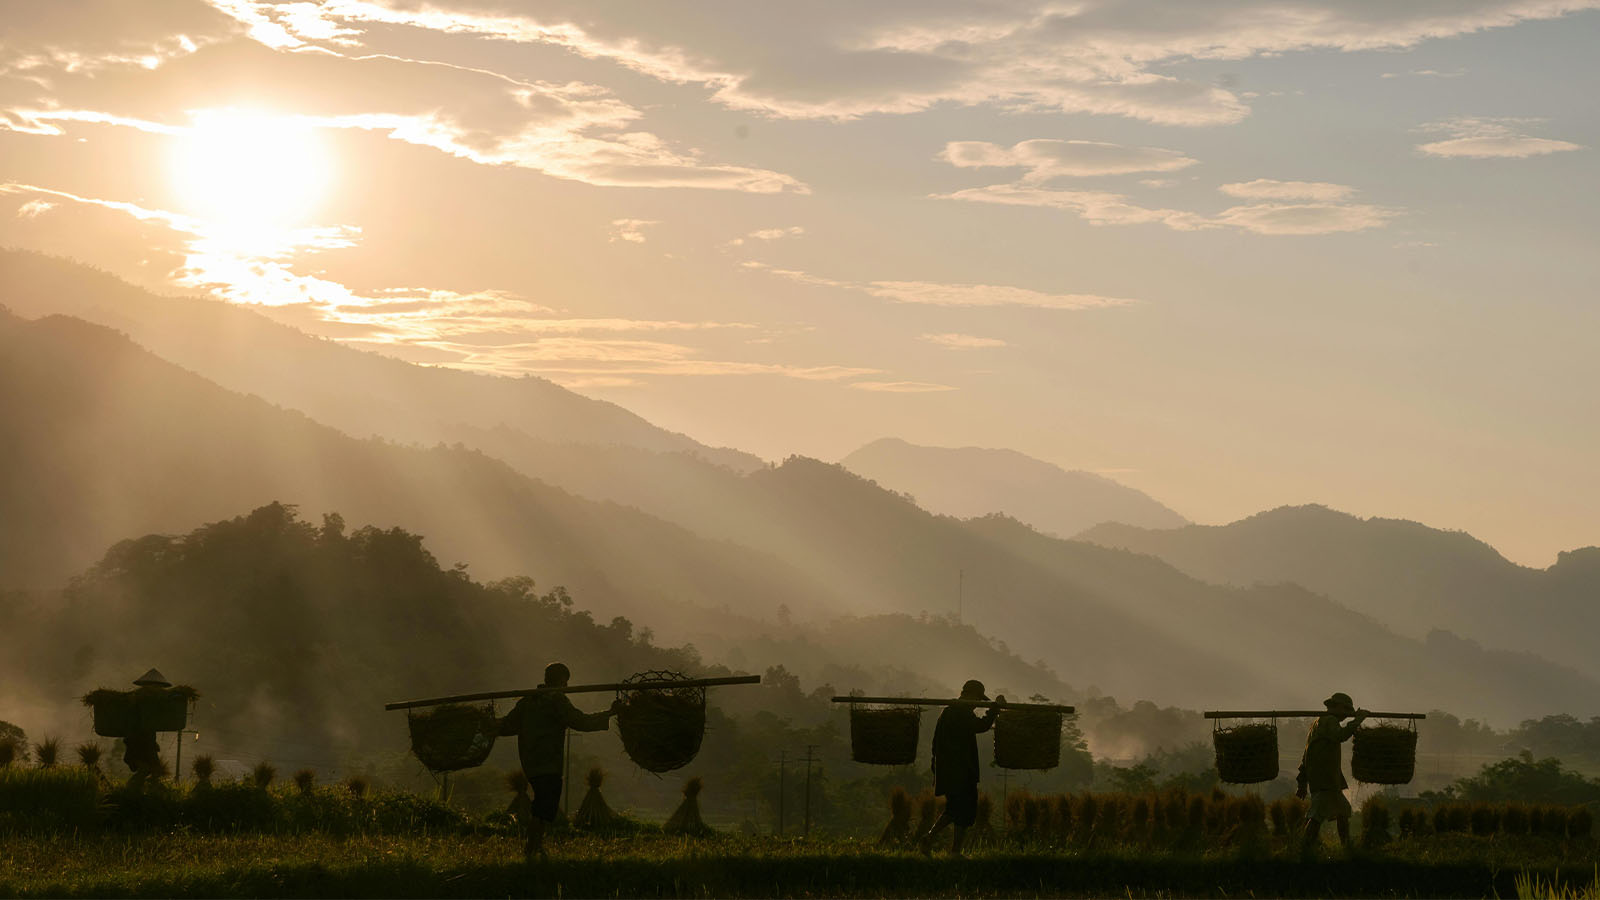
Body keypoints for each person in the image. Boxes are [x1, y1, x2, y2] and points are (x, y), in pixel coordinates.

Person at [498, 662, 619, 860]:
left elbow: (507, 726)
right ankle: (531, 848)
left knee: (541, 804)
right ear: (562, 680)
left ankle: (535, 847)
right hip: (548, 763)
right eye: (566, 682)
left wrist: (489, 724)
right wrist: (609, 713)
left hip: (531, 762)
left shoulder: (527, 701)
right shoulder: (556, 700)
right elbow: (579, 721)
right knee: (544, 806)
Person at [920, 679, 1005, 856]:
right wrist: (994, 710)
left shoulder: (949, 711)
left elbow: (935, 743)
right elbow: (980, 726)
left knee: (954, 809)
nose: (977, 705)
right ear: (971, 696)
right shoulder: (960, 711)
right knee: (964, 810)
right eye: (978, 700)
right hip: (961, 771)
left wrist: (936, 767)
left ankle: (932, 839)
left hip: (950, 771)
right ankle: (953, 850)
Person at [1296, 691, 1368, 857]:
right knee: (1317, 815)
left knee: (1342, 811)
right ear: (1337, 707)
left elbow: (1305, 756)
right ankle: (1304, 850)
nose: (1346, 715)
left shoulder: (1317, 723)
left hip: (1327, 779)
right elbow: (1341, 735)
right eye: (1346, 710)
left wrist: (1302, 782)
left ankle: (1346, 847)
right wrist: (1358, 720)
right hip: (1325, 780)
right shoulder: (1329, 721)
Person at [123, 668, 170, 790]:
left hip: (146, 743)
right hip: (138, 743)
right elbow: (140, 728)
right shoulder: (137, 702)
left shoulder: (150, 705)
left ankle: (144, 792)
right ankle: (131, 791)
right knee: (147, 769)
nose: (156, 690)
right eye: (154, 687)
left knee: (153, 771)